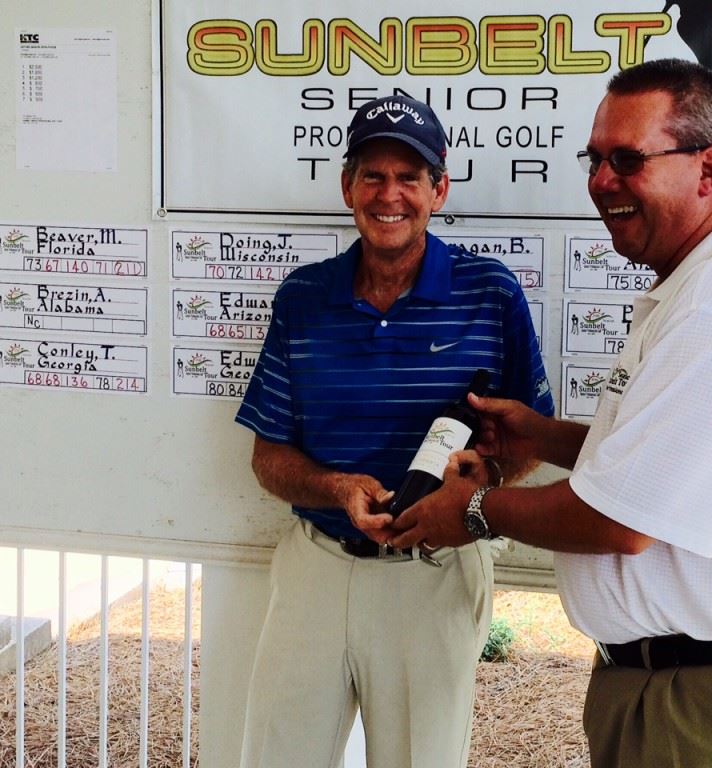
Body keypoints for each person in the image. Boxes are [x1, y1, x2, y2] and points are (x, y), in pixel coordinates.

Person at [391, 59, 712, 768]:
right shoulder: (707, 283)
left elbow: (623, 519)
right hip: (690, 687)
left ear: (708, 169)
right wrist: (547, 437)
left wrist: (476, 512)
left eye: (628, 159)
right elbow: (676, 468)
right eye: (596, 159)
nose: (602, 181)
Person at [234, 94, 554, 768]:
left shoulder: (489, 291)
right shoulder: (304, 296)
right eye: (373, 175)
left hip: (433, 571)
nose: (390, 195)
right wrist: (337, 486)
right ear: (347, 185)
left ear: (438, 189)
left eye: (409, 178)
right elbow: (267, 457)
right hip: (318, 561)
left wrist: (480, 485)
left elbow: (526, 441)